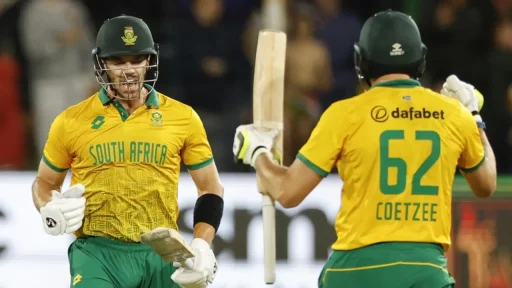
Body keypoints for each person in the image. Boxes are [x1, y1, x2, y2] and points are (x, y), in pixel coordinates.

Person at [233, 9, 497, 288]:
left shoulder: (344, 114)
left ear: (361, 62)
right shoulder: (454, 114)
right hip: (426, 270)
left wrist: (258, 153)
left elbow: (287, 192)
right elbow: (486, 184)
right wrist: (474, 117)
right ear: (420, 58)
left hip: (355, 270)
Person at [32, 15, 223, 288]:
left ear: (149, 60)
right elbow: (44, 182)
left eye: (137, 60)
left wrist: (202, 244)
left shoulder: (183, 118)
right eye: (118, 62)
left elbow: (210, 187)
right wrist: (48, 204)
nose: (129, 70)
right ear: (102, 64)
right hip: (97, 252)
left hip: (161, 252)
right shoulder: (71, 121)